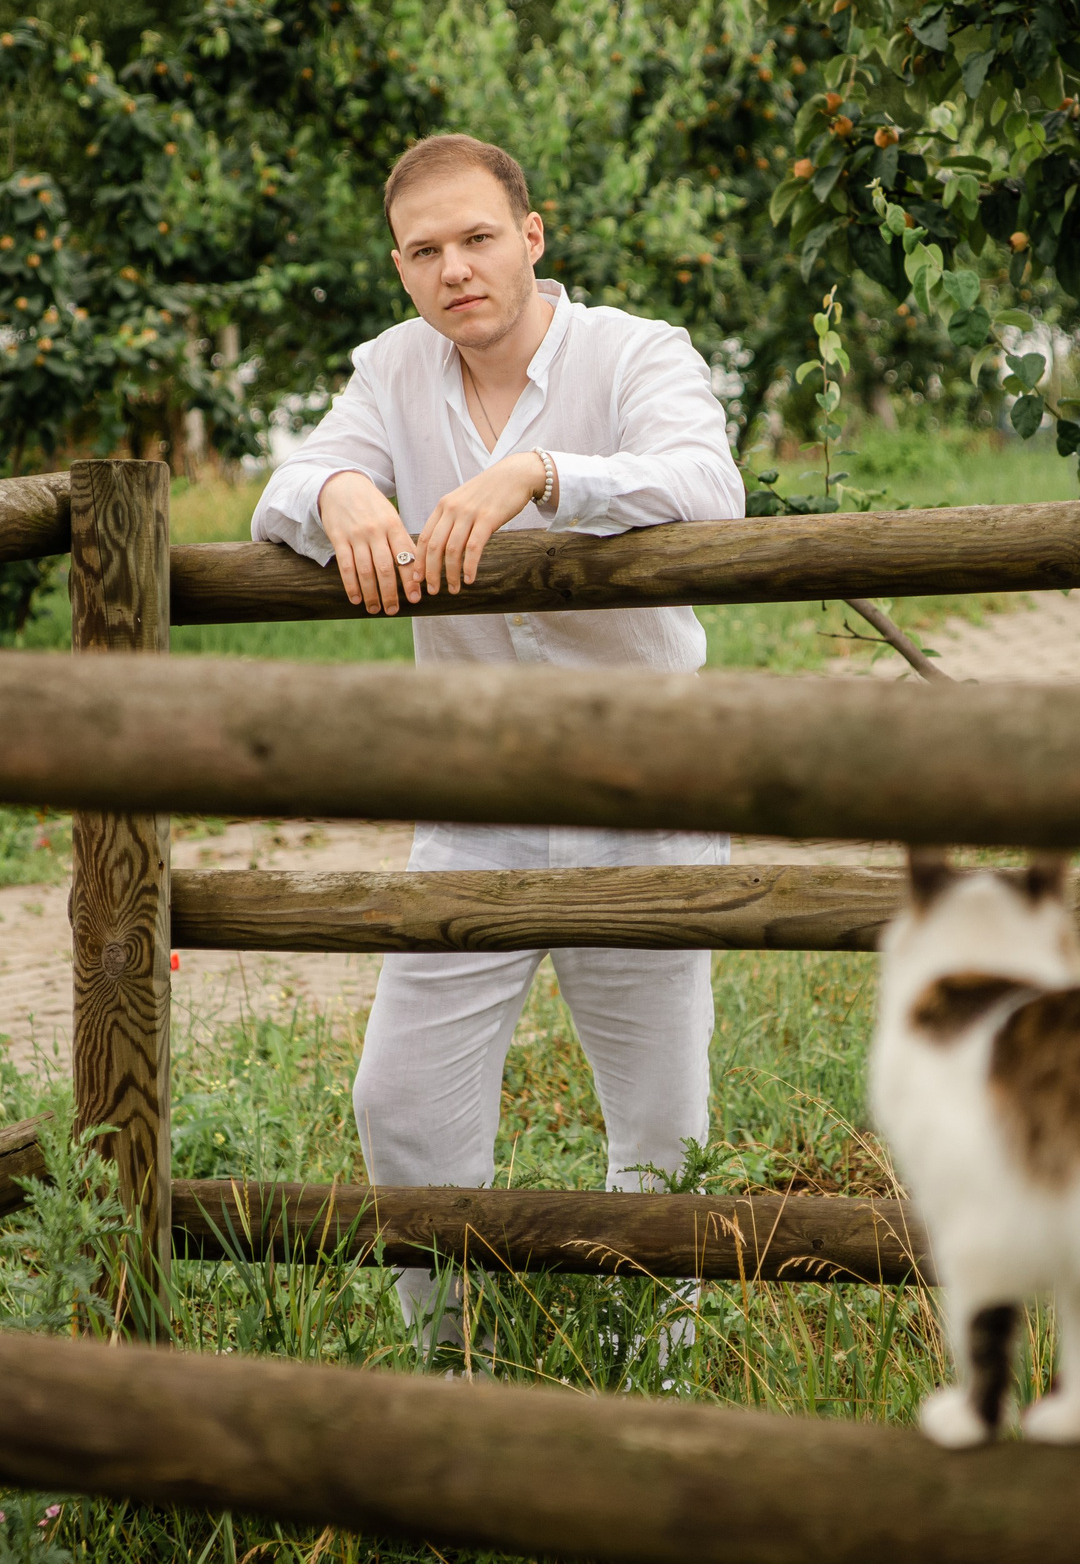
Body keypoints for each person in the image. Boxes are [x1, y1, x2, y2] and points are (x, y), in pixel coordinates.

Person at [249, 133, 744, 1358]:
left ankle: (658, 1381)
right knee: (402, 1101)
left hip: (645, 787)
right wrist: (337, 495)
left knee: (657, 1124)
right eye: (424, 252)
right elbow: (289, 479)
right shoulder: (391, 372)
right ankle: (448, 1363)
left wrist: (536, 474)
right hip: (472, 794)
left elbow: (705, 486)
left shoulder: (638, 352)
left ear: (532, 235)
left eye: (477, 238)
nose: (454, 269)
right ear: (402, 269)